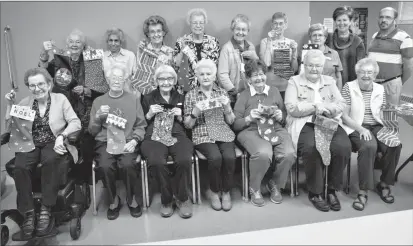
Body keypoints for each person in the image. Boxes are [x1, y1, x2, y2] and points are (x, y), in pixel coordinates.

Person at [4, 68, 81, 238]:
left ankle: (46, 208)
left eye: (40, 84)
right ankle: (29, 213)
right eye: (32, 85)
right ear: (28, 87)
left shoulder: (60, 99)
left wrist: (62, 136)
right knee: (20, 167)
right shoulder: (24, 102)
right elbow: (10, 128)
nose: (37, 88)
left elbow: (75, 122)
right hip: (30, 142)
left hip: (54, 141)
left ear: (48, 84)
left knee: (50, 160)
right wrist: (10, 105)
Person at [285, 49, 351, 212]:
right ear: (304, 65)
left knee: (342, 147)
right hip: (304, 122)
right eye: (310, 65)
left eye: (318, 66)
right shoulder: (294, 81)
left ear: (323, 66)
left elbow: (342, 104)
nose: (314, 69)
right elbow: (292, 108)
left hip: (328, 120)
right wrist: (315, 107)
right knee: (312, 148)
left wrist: (329, 109)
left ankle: (332, 190)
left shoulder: (330, 81)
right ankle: (315, 192)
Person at [38, 29, 102, 190]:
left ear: (83, 45)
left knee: (87, 142)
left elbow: (101, 88)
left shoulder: (91, 61)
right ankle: (68, 179)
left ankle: (85, 181)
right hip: (64, 108)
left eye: (78, 42)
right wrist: (44, 53)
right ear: (67, 44)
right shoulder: (59, 61)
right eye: (71, 41)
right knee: (65, 141)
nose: (74, 44)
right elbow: (43, 72)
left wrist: (87, 90)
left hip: (86, 109)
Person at [341, 58, 402, 211]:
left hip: (376, 125)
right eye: (362, 72)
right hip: (355, 126)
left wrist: (390, 121)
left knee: (394, 143)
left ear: (375, 75)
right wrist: (361, 129)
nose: (366, 75)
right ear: (357, 72)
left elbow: (380, 111)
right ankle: (363, 191)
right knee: (369, 146)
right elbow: (344, 116)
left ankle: (384, 183)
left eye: (370, 72)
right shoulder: (348, 87)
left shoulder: (379, 89)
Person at [233, 59, 296, 207]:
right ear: (248, 79)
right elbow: (235, 124)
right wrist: (249, 118)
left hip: (275, 128)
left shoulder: (274, 91)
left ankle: (275, 183)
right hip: (251, 130)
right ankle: (254, 188)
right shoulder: (244, 95)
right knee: (263, 153)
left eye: (261, 74)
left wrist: (281, 116)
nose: (259, 78)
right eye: (254, 76)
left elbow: (285, 117)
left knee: (288, 153)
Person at [88, 64, 147, 220]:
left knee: (128, 165)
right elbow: (92, 131)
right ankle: (113, 199)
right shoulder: (98, 101)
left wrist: (135, 141)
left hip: (127, 140)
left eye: (120, 78)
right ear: (108, 80)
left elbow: (141, 126)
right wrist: (97, 118)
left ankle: (131, 197)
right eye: (113, 77)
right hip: (105, 142)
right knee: (105, 166)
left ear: (125, 81)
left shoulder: (133, 99)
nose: (116, 81)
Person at [141, 65, 194, 219]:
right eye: (162, 79)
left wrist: (180, 116)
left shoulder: (181, 98)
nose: (166, 82)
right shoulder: (148, 97)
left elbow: (188, 124)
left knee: (184, 159)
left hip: (177, 133)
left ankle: (183, 198)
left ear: (174, 80)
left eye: (169, 78)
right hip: (154, 135)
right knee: (156, 161)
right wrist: (150, 113)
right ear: (156, 81)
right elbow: (140, 123)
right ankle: (166, 199)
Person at [184, 59, 236, 211]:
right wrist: (195, 112)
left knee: (229, 157)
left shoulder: (221, 92)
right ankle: (213, 191)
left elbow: (231, 121)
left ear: (214, 76)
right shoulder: (191, 96)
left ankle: (226, 192)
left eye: (209, 74)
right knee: (215, 157)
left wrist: (227, 107)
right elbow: (187, 125)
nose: (205, 77)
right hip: (202, 133)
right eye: (202, 74)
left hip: (222, 130)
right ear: (197, 76)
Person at [367, 7, 413, 106]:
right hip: (373, 83)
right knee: (373, 114)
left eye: (388, 17)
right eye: (381, 17)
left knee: (389, 117)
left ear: (394, 20)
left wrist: (396, 82)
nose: (383, 20)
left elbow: (409, 67)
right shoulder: (374, 36)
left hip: (391, 84)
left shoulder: (404, 38)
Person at [173, 8, 220, 90]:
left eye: (201, 22)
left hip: (209, 87)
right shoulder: (181, 41)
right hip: (187, 87)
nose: (198, 26)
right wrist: (182, 50)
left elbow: (217, 66)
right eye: (194, 22)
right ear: (189, 23)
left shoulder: (213, 42)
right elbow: (176, 65)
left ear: (205, 23)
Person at [218, 14, 258, 104]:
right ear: (232, 30)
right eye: (238, 29)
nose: (240, 32)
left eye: (244, 30)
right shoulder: (226, 48)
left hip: (250, 93)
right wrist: (234, 93)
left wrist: (255, 58)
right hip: (232, 96)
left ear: (248, 31)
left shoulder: (251, 46)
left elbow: (257, 70)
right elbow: (222, 75)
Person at [132, 15, 176, 96]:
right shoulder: (143, 51)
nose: (156, 35)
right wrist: (140, 52)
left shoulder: (170, 52)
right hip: (146, 94)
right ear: (148, 34)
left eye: (159, 31)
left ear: (163, 33)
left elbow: (173, 76)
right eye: (152, 32)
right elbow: (137, 74)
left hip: (166, 93)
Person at [260, 12, 299, 99]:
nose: (278, 26)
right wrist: (269, 41)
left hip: (287, 86)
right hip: (269, 85)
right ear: (272, 25)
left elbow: (294, 69)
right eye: (275, 23)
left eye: (281, 23)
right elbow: (266, 64)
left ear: (285, 25)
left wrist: (294, 52)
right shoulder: (265, 42)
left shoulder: (291, 42)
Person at [327, 6, 366, 86]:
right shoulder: (328, 39)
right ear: (335, 22)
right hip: (330, 83)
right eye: (339, 20)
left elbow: (361, 66)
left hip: (351, 84)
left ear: (350, 21)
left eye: (345, 20)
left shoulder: (357, 41)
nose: (342, 23)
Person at [308, 23, 344, 90]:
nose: (317, 38)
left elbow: (338, 76)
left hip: (330, 92)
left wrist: (339, 94)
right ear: (310, 38)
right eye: (314, 35)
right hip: (310, 91)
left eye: (320, 35)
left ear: (325, 38)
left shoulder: (334, 54)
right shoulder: (305, 53)